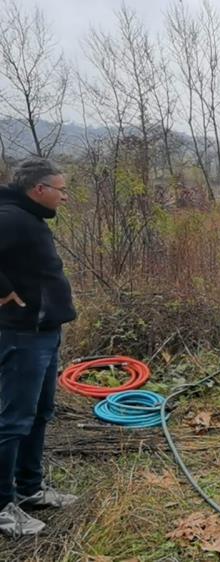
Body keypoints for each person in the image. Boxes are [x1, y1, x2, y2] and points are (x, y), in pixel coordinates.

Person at [0, 157, 79, 537]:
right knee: (14, 419)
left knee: (40, 412)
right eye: (61, 189)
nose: (65, 197)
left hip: (45, 330)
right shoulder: (11, 217)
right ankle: (2, 506)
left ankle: (30, 489)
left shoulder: (28, 218)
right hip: (23, 335)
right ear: (39, 189)